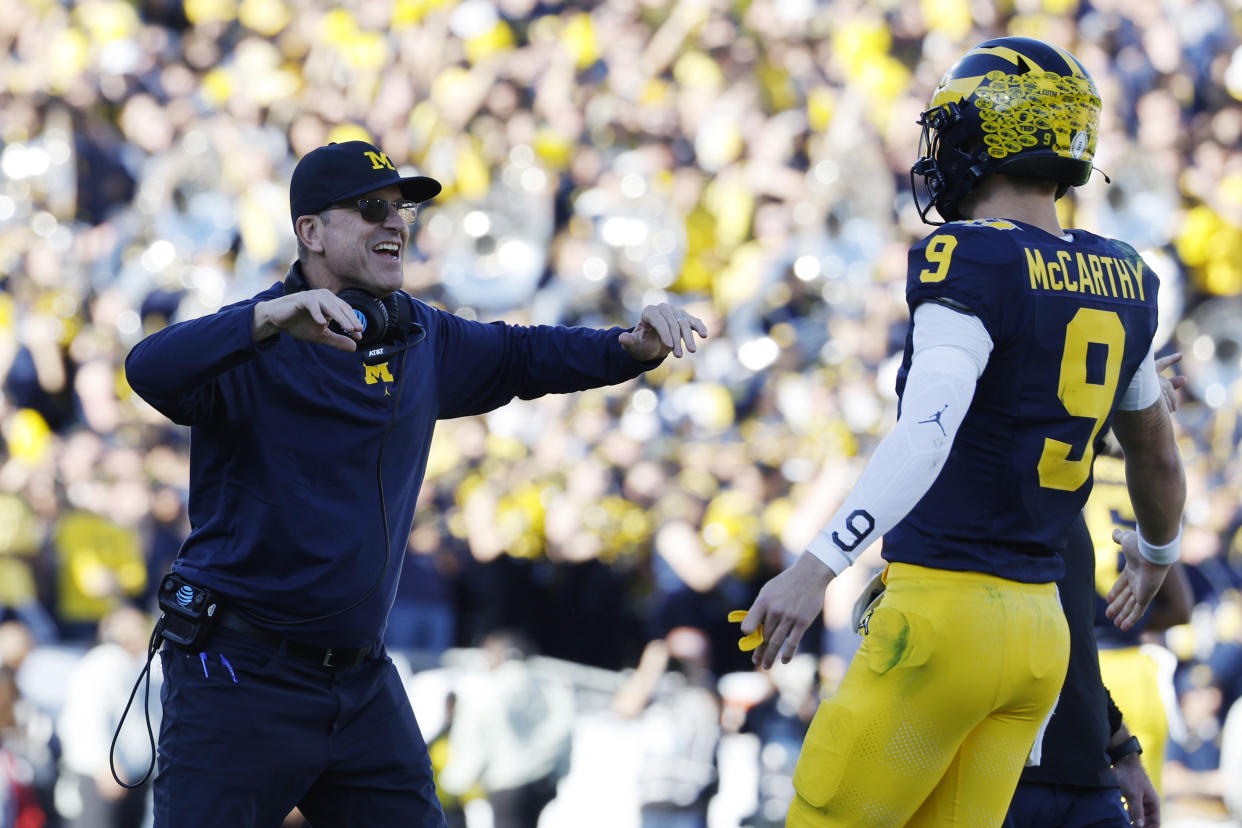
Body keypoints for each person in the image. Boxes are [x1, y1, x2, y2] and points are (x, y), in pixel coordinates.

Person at [123, 138, 707, 828]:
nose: (395, 223)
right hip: (241, 675)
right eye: (372, 209)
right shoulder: (253, 344)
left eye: (401, 210)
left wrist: (628, 349)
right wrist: (266, 320)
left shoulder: (419, 338)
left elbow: (525, 356)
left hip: (359, 680)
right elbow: (148, 369)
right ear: (309, 231)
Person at [735, 37, 1186, 827]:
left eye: (957, 129)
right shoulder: (1126, 276)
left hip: (946, 616)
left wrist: (817, 567)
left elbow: (929, 427)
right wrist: (1155, 557)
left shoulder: (970, 256)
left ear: (997, 135)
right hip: (1042, 637)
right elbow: (1153, 448)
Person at [1005, 357, 1189, 828]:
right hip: (1120, 670)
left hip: (1070, 683)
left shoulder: (1048, 481)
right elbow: (1179, 604)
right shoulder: (1134, 485)